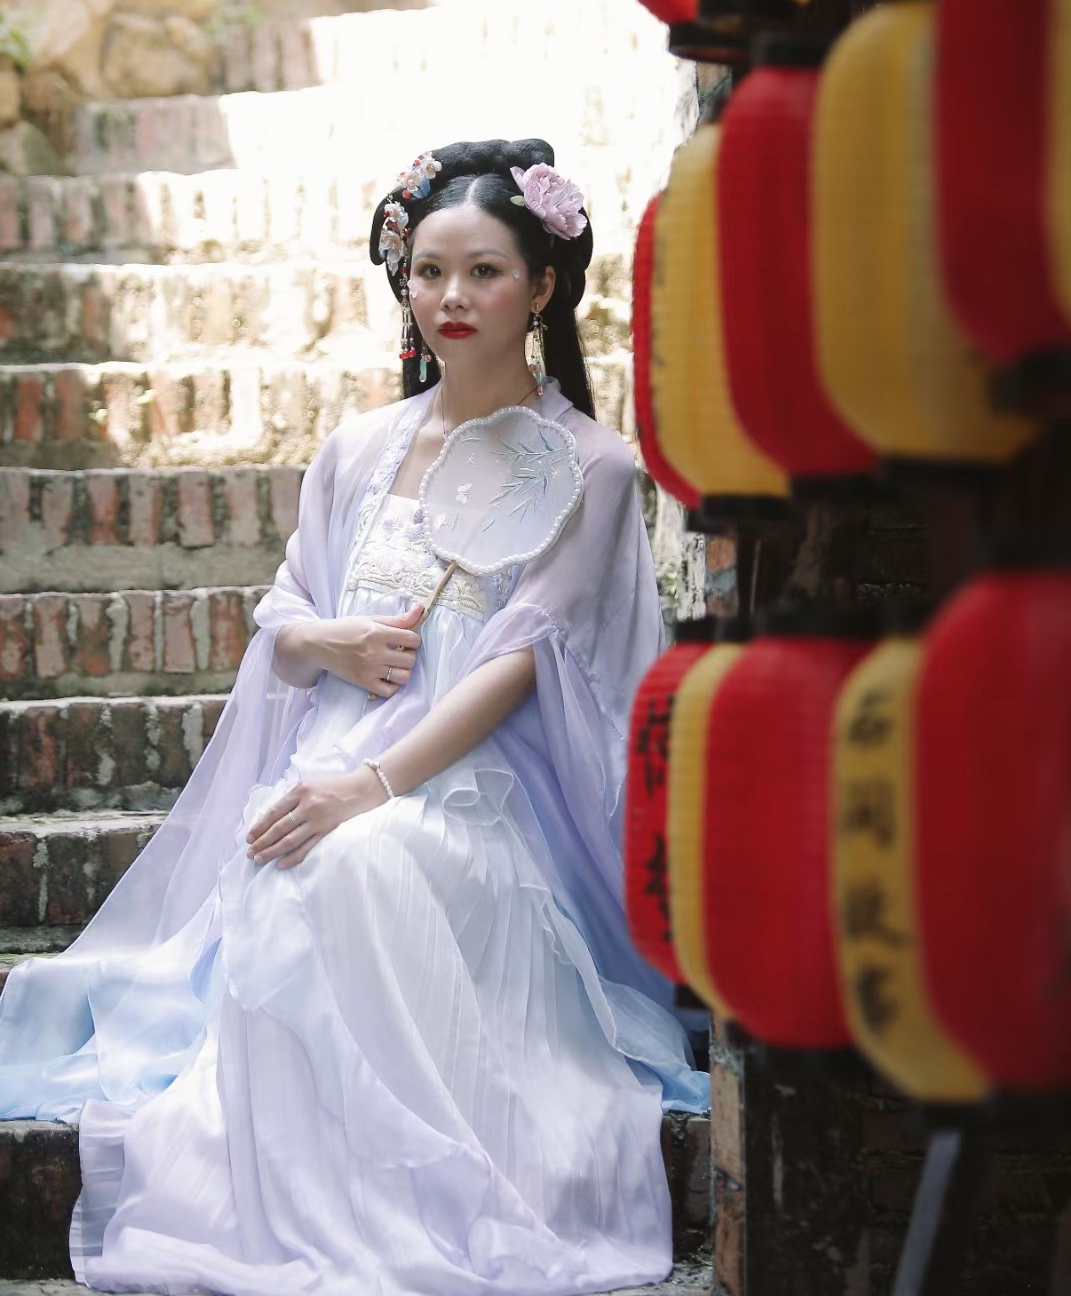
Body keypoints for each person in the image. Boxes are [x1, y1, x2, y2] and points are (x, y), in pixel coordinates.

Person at [0, 137, 708, 1296]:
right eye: (429, 272)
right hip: (329, 761)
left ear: (541, 285)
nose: (450, 297)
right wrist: (329, 643)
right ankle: (296, 1203)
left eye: (484, 272)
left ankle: (405, 1205)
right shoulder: (358, 451)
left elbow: (521, 660)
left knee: (355, 862)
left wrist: (371, 787)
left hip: (480, 796)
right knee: (298, 861)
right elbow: (284, 618)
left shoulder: (593, 466)